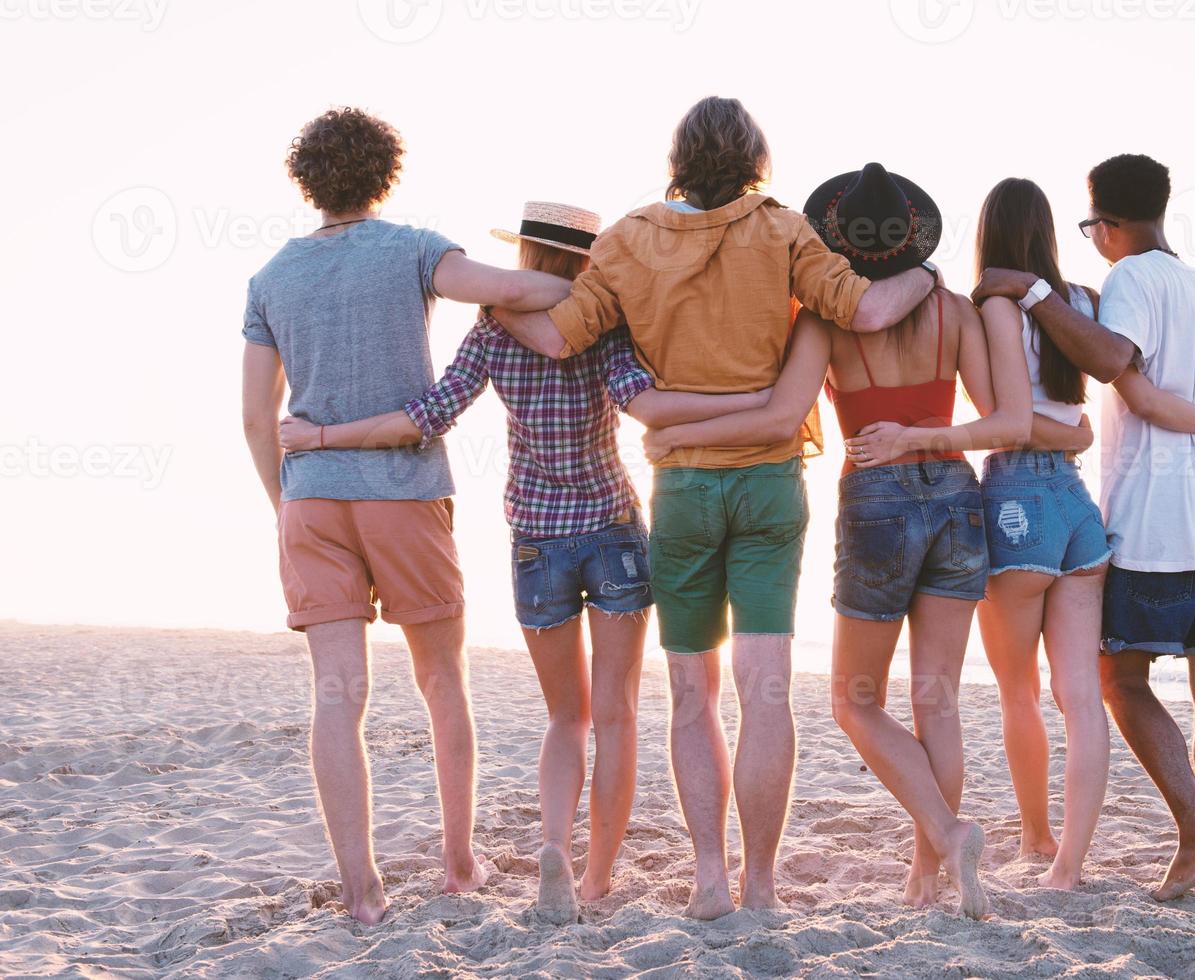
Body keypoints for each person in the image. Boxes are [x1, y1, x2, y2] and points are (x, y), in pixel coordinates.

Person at [493, 98, 941, 918]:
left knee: (692, 693)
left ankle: (708, 880)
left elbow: (559, 337)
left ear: (677, 155)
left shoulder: (627, 238)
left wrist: (493, 303)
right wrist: (926, 271)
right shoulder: (784, 231)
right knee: (764, 687)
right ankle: (761, 886)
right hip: (770, 482)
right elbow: (871, 309)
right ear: (755, 157)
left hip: (684, 489)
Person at [278, 202, 770, 925]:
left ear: (527, 260)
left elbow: (426, 415)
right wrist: (757, 400)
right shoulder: (605, 328)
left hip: (536, 540)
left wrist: (321, 436)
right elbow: (650, 407)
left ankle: (553, 853)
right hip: (610, 530)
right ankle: (598, 877)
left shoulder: (491, 331)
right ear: (585, 264)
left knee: (564, 719)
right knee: (617, 715)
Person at [644, 163, 1038, 918]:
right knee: (938, 701)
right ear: (912, 239)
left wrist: (672, 429)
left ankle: (947, 835)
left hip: (879, 500)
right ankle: (929, 874)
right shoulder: (956, 309)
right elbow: (1009, 425)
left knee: (854, 701)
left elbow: (780, 413)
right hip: (956, 492)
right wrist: (932, 437)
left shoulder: (821, 319)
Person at [240, 108, 576, 924]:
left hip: (312, 496)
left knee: (336, 695)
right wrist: (580, 285)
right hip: (402, 492)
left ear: (307, 181)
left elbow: (256, 417)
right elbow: (515, 289)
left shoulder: (271, 278)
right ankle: (459, 865)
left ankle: (361, 892)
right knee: (441, 682)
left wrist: (287, 503)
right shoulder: (414, 249)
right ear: (384, 173)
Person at [974, 155, 1195, 901]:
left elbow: (1111, 361)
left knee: (1119, 678)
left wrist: (1033, 290)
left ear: (1105, 225)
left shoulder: (1133, 278)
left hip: (1158, 516)